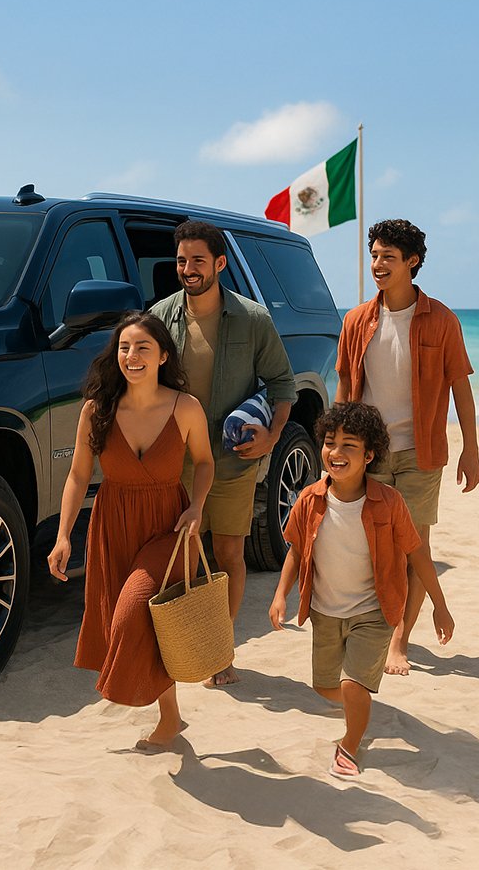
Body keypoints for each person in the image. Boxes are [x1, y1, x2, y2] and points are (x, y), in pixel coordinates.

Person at [48, 312, 214, 751]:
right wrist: (63, 536)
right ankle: (171, 717)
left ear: (163, 356)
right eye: (124, 347)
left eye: (143, 347)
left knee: (132, 612)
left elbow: (204, 462)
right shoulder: (96, 410)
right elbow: (77, 476)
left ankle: (153, 706)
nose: (132, 355)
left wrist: (197, 506)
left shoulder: (185, 407)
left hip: (169, 529)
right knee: (151, 623)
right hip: (113, 526)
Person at [267, 402, 455, 779]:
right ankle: (360, 702)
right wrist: (280, 595)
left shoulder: (389, 502)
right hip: (324, 610)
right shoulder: (308, 499)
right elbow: (297, 550)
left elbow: (417, 553)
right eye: (330, 443)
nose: (336, 452)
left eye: (349, 445)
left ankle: (349, 746)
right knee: (325, 687)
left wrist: (440, 605)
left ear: (369, 456)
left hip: (374, 610)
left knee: (352, 683)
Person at [150, 220, 297, 686]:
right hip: (177, 463)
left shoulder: (253, 319)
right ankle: (187, 649)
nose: (188, 269)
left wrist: (272, 437)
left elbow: (283, 384)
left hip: (233, 461)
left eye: (198, 260)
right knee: (184, 557)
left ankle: (220, 651)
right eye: (181, 260)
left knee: (229, 552)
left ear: (220, 263)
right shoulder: (160, 318)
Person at [334, 218, 479, 676]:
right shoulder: (356, 320)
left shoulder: (442, 319)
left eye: (388, 257)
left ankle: (400, 639)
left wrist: (471, 449)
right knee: (377, 546)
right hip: (369, 451)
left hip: (422, 450)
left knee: (415, 545)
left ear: (412, 262)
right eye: (374, 255)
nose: (378, 264)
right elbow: (345, 385)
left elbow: (461, 387)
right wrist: (335, 443)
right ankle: (375, 626)